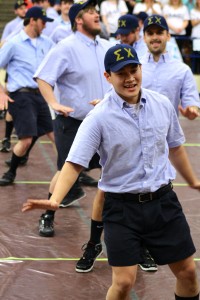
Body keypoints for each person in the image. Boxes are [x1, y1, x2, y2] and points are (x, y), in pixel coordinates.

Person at [22, 43, 200, 300]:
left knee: (187, 273)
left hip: (163, 203)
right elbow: (73, 163)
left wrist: (193, 180)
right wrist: (55, 200)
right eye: (121, 73)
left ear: (141, 68)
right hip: (121, 209)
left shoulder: (161, 105)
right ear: (108, 77)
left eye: (133, 70)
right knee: (124, 282)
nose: (129, 78)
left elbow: (175, 147)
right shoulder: (99, 117)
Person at [74, 14, 200, 274]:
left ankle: (140, 246)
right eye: (150, 32)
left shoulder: (180, 70)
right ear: (145, 37)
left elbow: (190, 100)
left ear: (167, 35)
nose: (155, 36)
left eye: (159, 32)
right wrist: (107, 105)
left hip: (155, 145)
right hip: (123, 142)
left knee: (147, 195)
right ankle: (93, 243)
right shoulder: (130, 60)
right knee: (105, 190)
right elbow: (118, 90)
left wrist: (191, 110)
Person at [32, 0, 112, 237]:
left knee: (111, 170)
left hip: (102, 122)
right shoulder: (65, 46)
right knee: (65, 169)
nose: (97, 15)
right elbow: (43, 78)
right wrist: (54, 103)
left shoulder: (105, 46)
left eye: (97, 11)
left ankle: (116, 223)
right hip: (72, 122)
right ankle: (47, 215)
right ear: (79, 19)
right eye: (91, 12)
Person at [0, 6, 55, 186]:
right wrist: (1, 91)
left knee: (55, 135)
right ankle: (11, 172)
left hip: (40, 95)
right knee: (26, 140)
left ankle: (72, 177)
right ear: (32, 21)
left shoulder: (46, 42)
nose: (45, 26)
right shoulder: (13, 43)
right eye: (42, 22)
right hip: (21, 95)